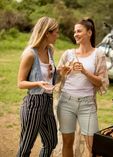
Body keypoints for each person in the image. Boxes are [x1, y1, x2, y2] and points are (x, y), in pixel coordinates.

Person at [56, 18, 109, 157]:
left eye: (79, 31)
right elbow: (55, 78)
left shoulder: (98, 54)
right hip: (66, 101)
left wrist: (85, 71)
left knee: (92, 146)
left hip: (87, 104)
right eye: (75, 31)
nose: (75, 34)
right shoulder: (68, 54)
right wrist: (62, 72)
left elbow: (101, 82)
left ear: (89, 32)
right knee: (67, 142)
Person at [17, 16, 59, 157]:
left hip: (48, 102)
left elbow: (51, 80)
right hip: (33, 104)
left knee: (51, 142)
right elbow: (20, 83)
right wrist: (37, 83)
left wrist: (62, 73)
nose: (57, 35)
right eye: (56, 32)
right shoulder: (30, 54)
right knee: (25, 148)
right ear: (47, 33)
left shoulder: (50, 51)